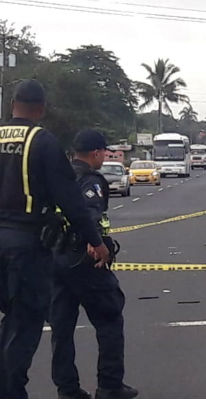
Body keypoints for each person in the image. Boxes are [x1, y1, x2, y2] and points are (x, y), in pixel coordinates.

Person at [0, 79, 109, 398]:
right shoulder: (42, 141)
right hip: (25, 245)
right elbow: (71, 200)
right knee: (24, 324)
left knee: (11, 323)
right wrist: (95, 240)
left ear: (12, 104)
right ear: (41, 109)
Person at [49, 129, 137, 399]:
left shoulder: (56, 177)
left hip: (54, 258)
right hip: (85, 262)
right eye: (104, 152)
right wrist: (96, 243)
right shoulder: (90, 181)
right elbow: (87, 213)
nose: (105, 156)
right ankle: (110, 385)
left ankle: (67, 389)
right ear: (96, 152)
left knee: (61, 328)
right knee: (110, 318)